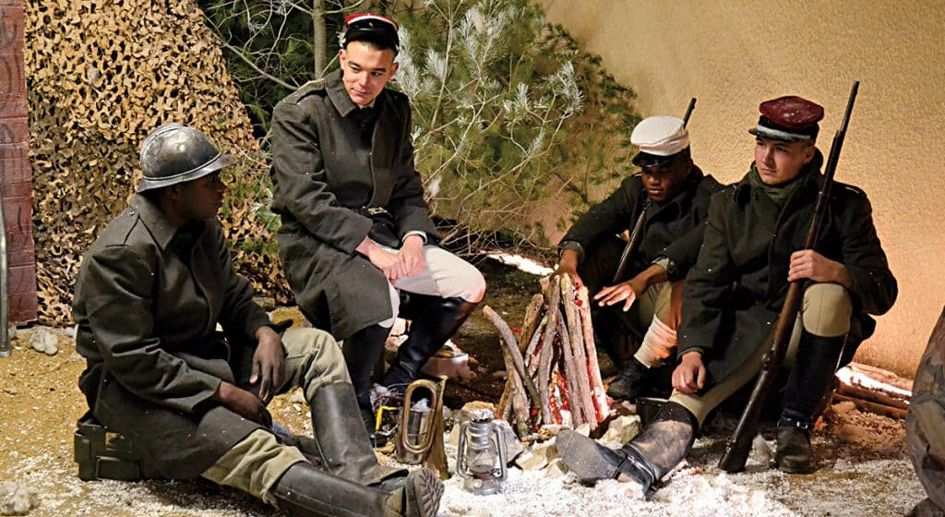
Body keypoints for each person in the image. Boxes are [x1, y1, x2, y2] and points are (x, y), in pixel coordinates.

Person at [73, 123, 443, 516]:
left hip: (200, 361)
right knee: (256, 445)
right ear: (175, 192)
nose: (222, 188)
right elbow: (134, 361)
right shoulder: (122, 253)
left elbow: (232, 294)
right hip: (142, 393)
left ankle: (361, 477)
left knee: (316, 348)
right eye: (211, 182)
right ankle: (381, 510)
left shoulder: (200, 227)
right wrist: (225, 394)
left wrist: (263, 331)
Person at [557, 95, 897, 493]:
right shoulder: (731, 204)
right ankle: (639, 462)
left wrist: (836, 271)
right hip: (746, 328)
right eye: (761, 144)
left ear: (808, 154)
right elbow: (705, 282)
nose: (766, 158)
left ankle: (796, 424)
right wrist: (692, 350)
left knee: (829, 296)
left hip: (804, 337)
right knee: (690, 394)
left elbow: (883, 291)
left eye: (781, 149)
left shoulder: (845, 205)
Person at [269, 13, 486, 429]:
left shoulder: (395, 110)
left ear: (393, 70)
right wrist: (373, 251)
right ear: (341, 58)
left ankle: (400, 378)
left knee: (468, 282)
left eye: (376, 73)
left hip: (383, 233)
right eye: (354, 68)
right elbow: (305, 200)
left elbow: (405, 186)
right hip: (317, 241)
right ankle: (353, 400)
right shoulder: (300, 111)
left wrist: (414, 239)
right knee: (378, 296)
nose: (362, 82)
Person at [554, 115, 721, 401]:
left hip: (681, 313)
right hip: (635, 297)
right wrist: (568, 262)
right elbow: (597, 221)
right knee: (598, 250)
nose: (653, 181)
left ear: (686, 165)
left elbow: (692, 248)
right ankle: (569, 347)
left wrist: (643, 279)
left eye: (663, 171)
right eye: (647, 172)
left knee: (686, 279)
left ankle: (641, 368)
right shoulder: (637, 191)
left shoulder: (712, 198)